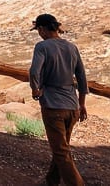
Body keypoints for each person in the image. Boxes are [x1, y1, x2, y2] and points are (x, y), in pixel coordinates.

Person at [29, 13, 88, 186]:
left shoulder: (42, 46)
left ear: (42, 29)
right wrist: (82, 103)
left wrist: (35, 89)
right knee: (62, 148)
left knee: (61, 151)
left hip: (53, 106)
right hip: (72, 107)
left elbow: (34, 71)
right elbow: (82, 77)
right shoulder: (72, 47)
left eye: (38, 30)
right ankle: (51, 180)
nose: (39, 34)